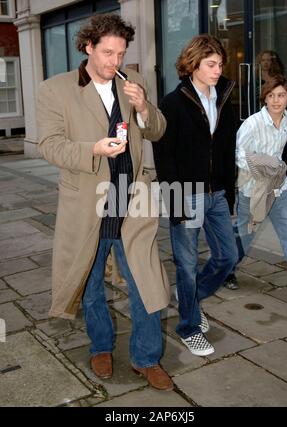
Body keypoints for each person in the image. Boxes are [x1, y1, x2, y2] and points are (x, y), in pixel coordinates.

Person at [37, 13, 174, 391]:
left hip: (134, 201)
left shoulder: (135, 82)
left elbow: (158, 131)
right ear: (88, 47)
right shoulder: (56, 89)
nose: (115, 61)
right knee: (92, 283)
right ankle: (100, 346)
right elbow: (49, 145)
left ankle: (147, 357)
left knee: (147, 283)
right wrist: (92, 149)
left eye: (121, 52)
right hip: (88, 206)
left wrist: (145, 107)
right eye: (108, 52)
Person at [152, 35, 238, 356]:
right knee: (186, 265)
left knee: (226, 257)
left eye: (220, 65)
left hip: (216, 194)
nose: (217, 71)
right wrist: (174, 200)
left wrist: (229, 192)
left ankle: (190, 297)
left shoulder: (224, 97)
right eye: (211, 65)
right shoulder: (172, 103)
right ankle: (188, 326)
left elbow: (227, 150)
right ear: (193, 64)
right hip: (186, 194)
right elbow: (165, 157)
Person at [225, 75, 287, 299]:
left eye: (281, 95)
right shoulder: (253, 124)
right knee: (244, 237)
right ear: (264, 98)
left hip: (279, 189)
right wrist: (263, 166)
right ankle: (226, 270)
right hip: (253, 191)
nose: (276, 100)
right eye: (271, 95)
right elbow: (237, 154)